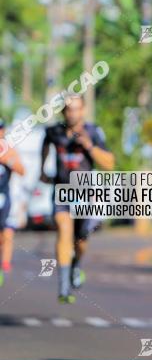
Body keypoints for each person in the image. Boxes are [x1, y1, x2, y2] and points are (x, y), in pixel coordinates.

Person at [40, 95, 114, 303]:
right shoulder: (54, 132)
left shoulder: (93, 132)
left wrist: (89, 147)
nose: (72, 113)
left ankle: (76, 265)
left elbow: (109, 163)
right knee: (64, 230)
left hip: (84, 193)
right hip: (62, 191)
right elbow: (45, 146)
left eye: (76, 109)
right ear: (63, 112)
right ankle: (63, 286)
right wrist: (42, 170)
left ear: (83, 110)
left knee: (80, 240)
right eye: (69, 109)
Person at [0, 120, 25, 287]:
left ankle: (5, 264)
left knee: (7, 233)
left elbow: (22, 170)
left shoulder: (9, 150)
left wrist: (6, 160)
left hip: (4, 197)